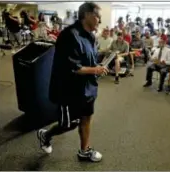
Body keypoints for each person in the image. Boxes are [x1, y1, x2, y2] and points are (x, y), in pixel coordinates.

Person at [37, 2, 107, 162]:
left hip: (88, 87)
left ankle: (84, 151)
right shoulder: (69, 35)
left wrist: (97, 67)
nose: (100, 20)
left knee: (87, 117)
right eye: (98, 16)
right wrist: (95, 70)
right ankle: (45, 135)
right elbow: (73, 68)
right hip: (69, 90)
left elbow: (89, 61)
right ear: (87, 15)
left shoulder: (91, 36)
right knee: (70, 123)